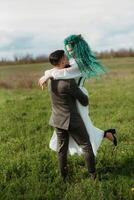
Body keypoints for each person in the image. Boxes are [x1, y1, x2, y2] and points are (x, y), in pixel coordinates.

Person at [38, 34, 117, 157]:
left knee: (83, 126)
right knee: (77, 126)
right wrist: (47, 74)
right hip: (70, 94)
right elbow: (59, 69)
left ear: (79, 48)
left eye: (72, 50)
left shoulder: (81, 63)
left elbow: (64, 73)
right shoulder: (74, 61)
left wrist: (48, 75)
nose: (70, 53)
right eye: (68, 51)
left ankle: (92, 147)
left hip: (78, 95)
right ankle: (104, 135)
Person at [47, 50, 96, 180]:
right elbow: (84, 101)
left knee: (61, 150)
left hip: (57, 120)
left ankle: (63, 177)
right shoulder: (69, 83)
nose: (68, 58)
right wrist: (83, 90)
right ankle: (93, 175)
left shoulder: (50, 80)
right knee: (86, 145)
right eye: (65, 57)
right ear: (62, 61)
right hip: (72, 120)